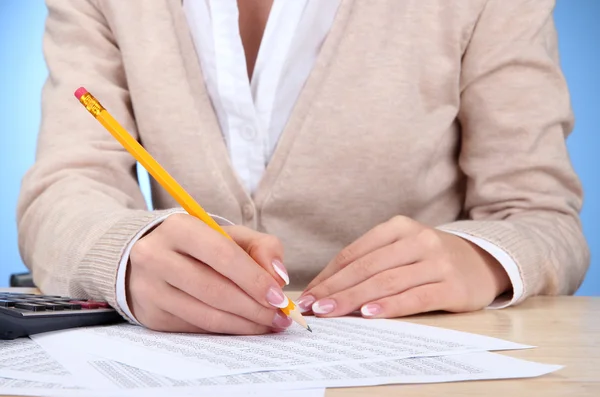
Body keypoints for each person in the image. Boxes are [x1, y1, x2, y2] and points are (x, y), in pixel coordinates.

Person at [17, 0, 589, 335]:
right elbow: (63, 192)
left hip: (418, 367)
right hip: (196, 367)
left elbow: (543, 218)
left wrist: (481, 260)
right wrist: (125, 252)